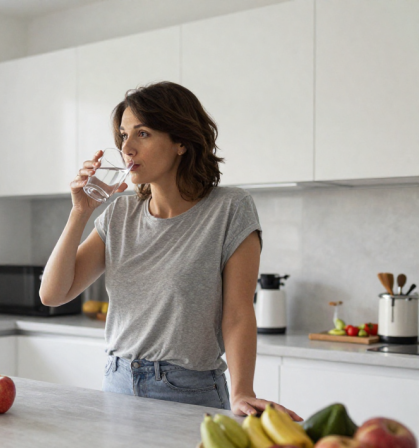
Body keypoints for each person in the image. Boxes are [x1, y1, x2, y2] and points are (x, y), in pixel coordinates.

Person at [39, 81, 299, 419]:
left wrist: (242, 392)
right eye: (123, 135)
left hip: (190, 392)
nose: (126, 148)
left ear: (180, 141)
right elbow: (52, 294)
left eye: (142, 134)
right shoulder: (119, 214)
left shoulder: (230, 208)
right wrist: (80, 212)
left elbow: (237, 314)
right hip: (117, 384)